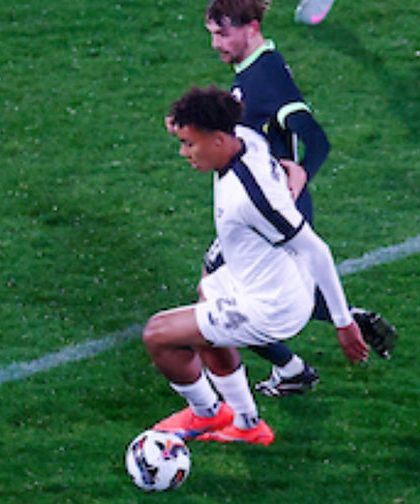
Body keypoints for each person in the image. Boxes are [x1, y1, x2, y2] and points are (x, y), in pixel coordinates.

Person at [146, 85, 369, 445]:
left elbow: (316, 251)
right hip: (261, 275)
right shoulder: (246, 136)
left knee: (158, 335)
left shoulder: (249, 199)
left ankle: (207, 413)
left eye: (189, 143)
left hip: (271, 308)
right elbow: (231, 114)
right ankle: (248, 424)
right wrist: (182, 121)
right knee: (205, 300)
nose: (183, 152)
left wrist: (344, 324)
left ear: (218, 140)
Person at [199, 0, 397, 398]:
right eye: (212, 35)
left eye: (222, 34)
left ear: (251, 27)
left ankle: (288, 371)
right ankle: (346, 321)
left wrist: (303, 171)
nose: (216, 44)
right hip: (264, 205)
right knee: (249, 293)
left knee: (215, 296)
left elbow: (316, 138)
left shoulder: (266, 76)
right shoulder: (252, 70)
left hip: (270, 211)